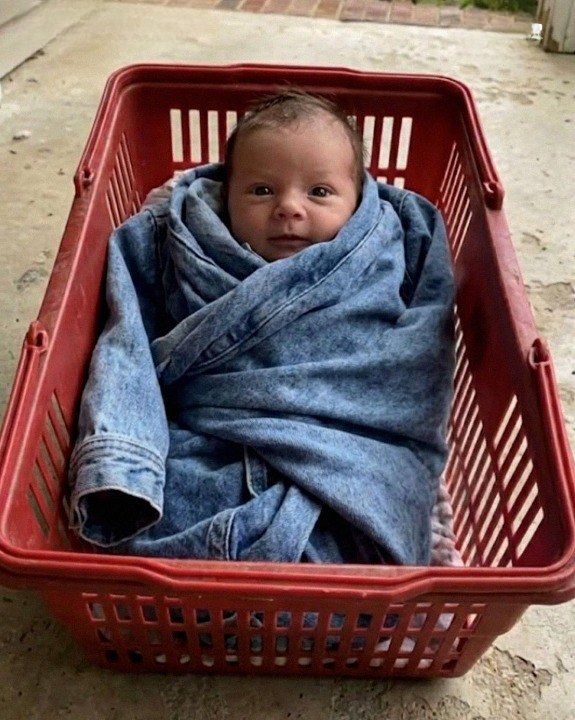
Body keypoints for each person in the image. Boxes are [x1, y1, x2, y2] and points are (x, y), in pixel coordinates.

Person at [68, 87, 456, 567]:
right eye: (261, 190)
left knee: (380, 504)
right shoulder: (179, 245)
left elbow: (421, 353)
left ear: (358, 200)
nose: (289, 208)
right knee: (155, 507)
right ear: (225, 194)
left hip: (353, 441)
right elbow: (127, 348)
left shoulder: (390, 244)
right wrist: (123, 462)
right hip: (213, 435)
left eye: (319, 192)